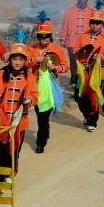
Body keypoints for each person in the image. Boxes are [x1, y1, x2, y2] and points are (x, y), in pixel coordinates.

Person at [0, 43, 38, 179]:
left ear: (25, 61)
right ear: (10, 60)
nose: (17, 62)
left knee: (14, 150)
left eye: (21, 59)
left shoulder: (30, 78)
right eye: (15, 59)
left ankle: (10, 174)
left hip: (20, 121)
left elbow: (35, 96)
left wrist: (28, 100)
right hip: (1, 119)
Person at [28, 13, 69, 153]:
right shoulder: (32, 49)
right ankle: (45, 131)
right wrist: (35, 61)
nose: (42, 39)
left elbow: (65, 67)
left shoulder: (58, 49)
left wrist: (55, 68)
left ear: (50, 36)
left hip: (51, 86)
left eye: (45, 36)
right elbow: (24, 63)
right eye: (39, 36)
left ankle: (40, 142)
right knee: (40, 114)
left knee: (45, 114)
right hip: (35, 85)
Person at [73, 10, 104, 132]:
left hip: (98, 72)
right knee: (79, 96)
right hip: (83, 71)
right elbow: (76, 49)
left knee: (94, 97)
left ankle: (92, 121)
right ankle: (86, 114)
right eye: (92, 23)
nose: (94, 25)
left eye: (97, 23)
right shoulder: (82, 36)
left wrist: (101, 56)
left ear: (102, 24)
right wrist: (77, 52)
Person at [60, 0, 93, 90]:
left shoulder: (92, 11)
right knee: (73, 62)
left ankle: (82, 80)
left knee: (83, 62)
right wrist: (62, 39)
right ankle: (73, 78)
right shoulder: (69, 11)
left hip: (86, 42)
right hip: (72, 41)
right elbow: (65, 25)